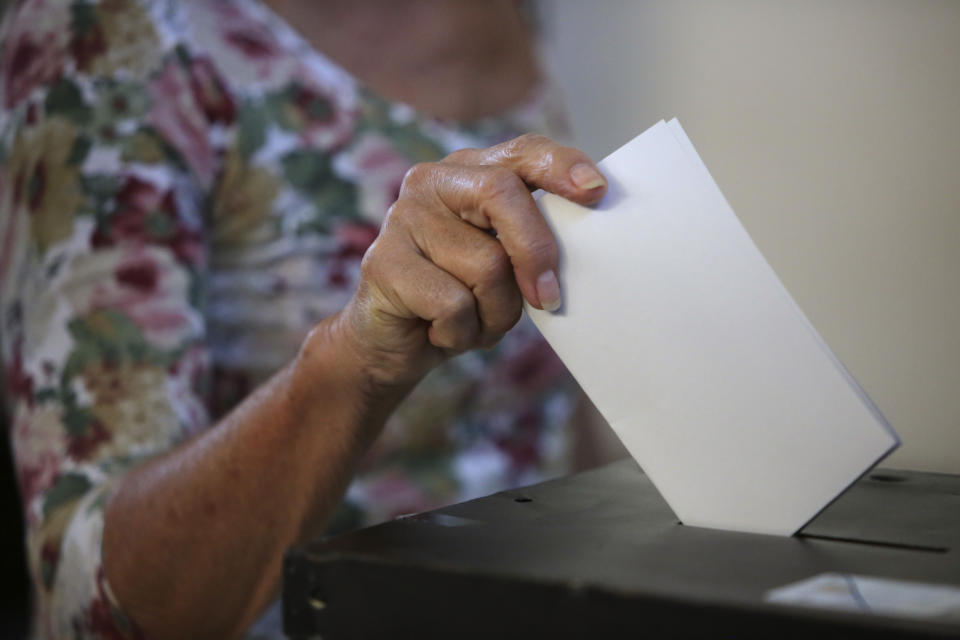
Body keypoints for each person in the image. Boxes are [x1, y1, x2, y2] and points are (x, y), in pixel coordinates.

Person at [0, 0, 615, 637]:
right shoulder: (104, 31)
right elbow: (91, 601)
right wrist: (360, 356)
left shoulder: (515, 11)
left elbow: (544, 399)